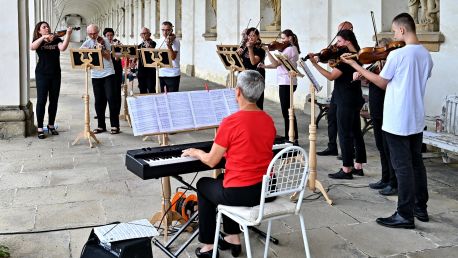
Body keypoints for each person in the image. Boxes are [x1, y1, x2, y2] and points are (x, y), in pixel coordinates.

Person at [341, 13, 433, 228]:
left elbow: (382, 82)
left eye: (393, 31)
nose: (393, 35)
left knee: (403, 167)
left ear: (402, 30)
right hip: (416, 116)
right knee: (416, 164)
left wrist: (356, 67)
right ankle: (421, 208)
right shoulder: (426, 54)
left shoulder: (399, 55)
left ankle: (405, 214)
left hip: (398, 118)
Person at [181, 70, 276, 258]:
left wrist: (196, 152)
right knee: (224, 178)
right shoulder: (268, 119)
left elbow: (211, 161)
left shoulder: (231, 122)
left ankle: (208, 245)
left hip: (241, 193)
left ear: (238, 92)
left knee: (203, 185)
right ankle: (233, 237)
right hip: (267, 190)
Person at [308, 29, 366, 180]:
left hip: (345, 98)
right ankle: (358, 165)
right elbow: (331, 59)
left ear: (347, 41)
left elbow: (331, 76)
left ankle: (346, 169)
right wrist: (322, 57)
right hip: (354, 97)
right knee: (356, 132)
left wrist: (315, 64)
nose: (337, 44)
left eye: (339, 41)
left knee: (345, 133)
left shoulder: (347, 59)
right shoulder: (358, 54)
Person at [357, 39, 398, 196]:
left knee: (388, 148)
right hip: (376, 111)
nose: (376, 54)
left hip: (385, 110)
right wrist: (363, 77)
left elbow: (384, 83)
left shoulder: (390, 65)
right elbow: (370, 80)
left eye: (380, 50)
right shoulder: (376, 65)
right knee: (381, 146)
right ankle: (385, 178)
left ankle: (393, 182)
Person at [317, 21, 353, 157]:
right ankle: (332, 146)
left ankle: (350, 152)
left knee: (347, 125)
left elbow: (338, 72)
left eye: (341, 33)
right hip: (338, 90)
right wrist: (327, 59)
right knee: (331, 117)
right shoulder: (340, 49)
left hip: (348, 91)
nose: (337, 42)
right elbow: (334, 64)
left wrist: (318, 64)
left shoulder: (352, 50)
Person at [30, 21, 72, 139]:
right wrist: (43, 37)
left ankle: (51, 125)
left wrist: (68, 34)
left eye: (47, 26)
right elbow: (32, 47)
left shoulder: (56, 40)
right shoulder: (38, 41)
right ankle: (40, 128)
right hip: (42, 74)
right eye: (44, 27)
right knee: (41, 100)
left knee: (54, 100)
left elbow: (63, 48)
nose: (47, 28)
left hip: (55, 74)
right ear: (39, 30)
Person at [259, 29, 300, 144]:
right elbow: (277, 65)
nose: (281, 41)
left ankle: (292, 137)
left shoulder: (290, 49)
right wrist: (265, 66)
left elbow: (277, 63)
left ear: (290, 38)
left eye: (283, 38)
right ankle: (291, 136)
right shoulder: (287, 49)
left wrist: (267, 52)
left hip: (287, 82)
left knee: (287, 111)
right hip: (285, 82)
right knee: (287, 111)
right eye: (281, 38)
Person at [81, 24, 121, 134]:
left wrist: (101, 51)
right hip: (95, 75)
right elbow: (80, 56)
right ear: (87, 33)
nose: (93, 36)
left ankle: (115, 125)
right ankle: (101, 125)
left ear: (98, 32)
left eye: (95, 33)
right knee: (99, 101)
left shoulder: (105, 41)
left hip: (108, 74)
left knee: (111, 99)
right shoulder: (87, 42)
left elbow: (109, 57)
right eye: (90, 34)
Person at [237, 27, 266, 109]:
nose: (250, 37)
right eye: (249, 35)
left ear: (257, 37)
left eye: (253, 35)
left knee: (256, 103)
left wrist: (250, 48)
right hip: (244, 77)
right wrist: (238, 54)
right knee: (244, 101)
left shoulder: (260, 49)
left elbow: (253, 62)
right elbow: (241, 62)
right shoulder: (245, 47)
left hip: (255, 79)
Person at [103, 28, 122, 118]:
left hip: (116, 68)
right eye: (108, 35)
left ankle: (116, 112)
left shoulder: (117, 43)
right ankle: (103, 112)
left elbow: (117, 59)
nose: (110, 37)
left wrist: (116, 49)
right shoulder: (102, 44)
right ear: (105, 36)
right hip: (107, 70)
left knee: (117, 91)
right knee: (106, 92)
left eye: (111, 35)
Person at [158, 21, 181, 93]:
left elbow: (173, 57)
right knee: (163, 95)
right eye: (163, 30)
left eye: (167, 30)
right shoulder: (160, 40)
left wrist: (169, 45)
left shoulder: (175, 41)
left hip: (172, 73)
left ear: (171, 30)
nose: (165, 32)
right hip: (162, 72)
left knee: (172, 97)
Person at [135, 27, 157, 93]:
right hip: (141, 71)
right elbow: (137, 56)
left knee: (151, 88)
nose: (144, 35)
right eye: (142, 34)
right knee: (142, 89)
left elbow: (154, 52)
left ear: (149, 34)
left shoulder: (154, 43)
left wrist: (149, 48)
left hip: (150, 71)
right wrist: (134, 61)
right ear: (140, 35)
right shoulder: (139, 46)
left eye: (145, 33)